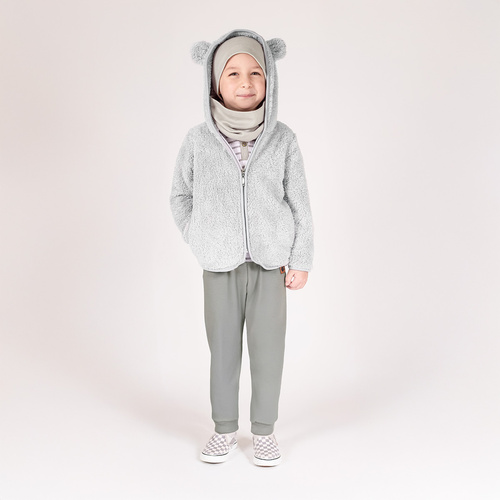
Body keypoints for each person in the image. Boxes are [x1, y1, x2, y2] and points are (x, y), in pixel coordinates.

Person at [170, 29, 314, 466]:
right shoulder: (198, 140)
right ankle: (224, 430)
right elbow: (180, 196)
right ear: (214, 82)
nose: (245, 81)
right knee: (223, 353)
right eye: (232, 73)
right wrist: (199, 236)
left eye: (255, 72)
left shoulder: (283, 139)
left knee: (269, 353)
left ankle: (265, 431)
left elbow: (299, 202)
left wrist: (301, 258)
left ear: (270, 79)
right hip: (219, 266)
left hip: (270, 266)